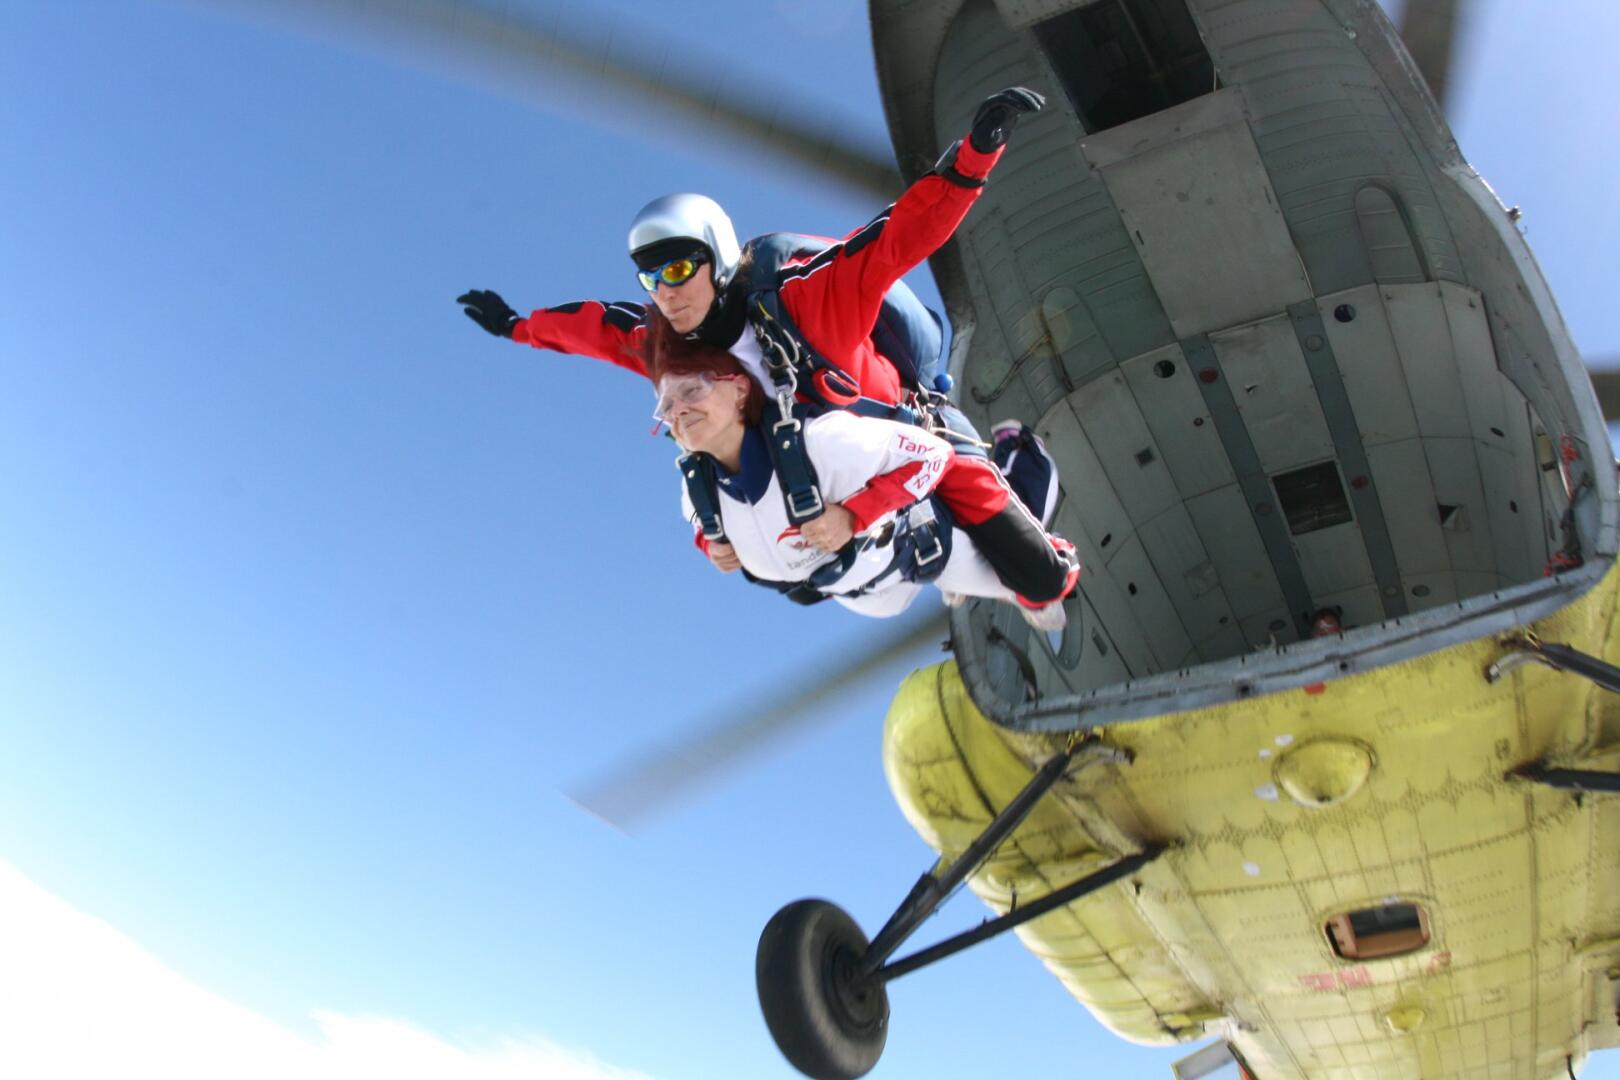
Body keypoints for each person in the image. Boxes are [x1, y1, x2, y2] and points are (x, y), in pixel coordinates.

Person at [458, 86, 1066, 603]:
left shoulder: (806, 300)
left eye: (679, 269)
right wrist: (516, 326)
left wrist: (974, 157)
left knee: (1039, 578)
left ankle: (1018, 457)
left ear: (717, 258)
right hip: (816, 476)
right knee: (790, 574)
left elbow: (895, 239)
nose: (665, 292)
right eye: (650, 278)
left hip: (903, 433)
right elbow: (592, 328)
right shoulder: (666, 347)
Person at [644, 308, 1078, 628]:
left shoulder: (820, 442)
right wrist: (712, 546)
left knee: (1043, 584)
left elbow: (934, 455)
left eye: (692, 390)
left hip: (919, 552)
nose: (678, 410)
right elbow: (703, 522)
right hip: (861, 590)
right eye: (666, 405)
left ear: (739, 389)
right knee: (881, 602)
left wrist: (854, 515)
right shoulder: (698, 493)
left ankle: (1019, 450)